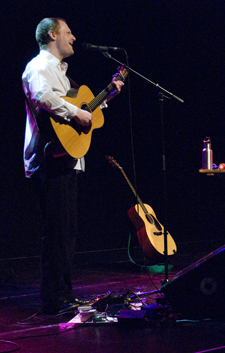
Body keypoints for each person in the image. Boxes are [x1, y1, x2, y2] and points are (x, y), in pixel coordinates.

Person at [22, 18, 124, 314]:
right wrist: (76, 114)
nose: (74, 37)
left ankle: (64, 294)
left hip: (67, 159)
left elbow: (83, 111)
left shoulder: (62, 74)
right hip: (49, 159)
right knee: (56, 232)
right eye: (68, 32)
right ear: (52, 35)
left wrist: (108, 96)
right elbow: (43, 98)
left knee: (67, 231)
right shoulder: (39, 66)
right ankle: (54, 300)